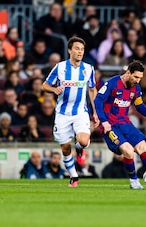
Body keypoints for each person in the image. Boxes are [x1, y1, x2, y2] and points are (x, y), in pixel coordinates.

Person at [94, 60, 146, 189]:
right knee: (128, 151)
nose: (138, 80)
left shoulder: (136, 88)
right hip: (110, 125)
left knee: (142, 146)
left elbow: (140, 107)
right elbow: (98, 100)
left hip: (125, 122)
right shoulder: (112, 83)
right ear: (128, 73)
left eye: (140, 78)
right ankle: (134, 181)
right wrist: (103, 121)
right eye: (136, 77)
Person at [42, 37, 99, 187]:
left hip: (80, 112)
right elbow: (45, 85)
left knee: (83, 141)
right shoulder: (60, 67)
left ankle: (80, 149)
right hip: (62, 113)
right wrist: (54, 89)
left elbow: (92, 89)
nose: (79, 52)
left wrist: (96, 111)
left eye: (82, 49)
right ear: (69, 50)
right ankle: (74, 177)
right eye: (76, 48)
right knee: (66, 148)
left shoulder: (89, 69)